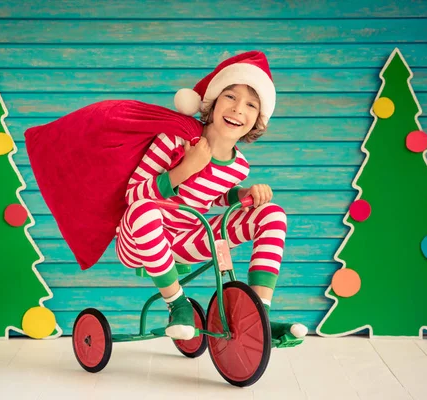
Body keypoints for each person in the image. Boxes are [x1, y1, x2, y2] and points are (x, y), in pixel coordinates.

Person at [115, 51, 308, 341]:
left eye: (251, 105)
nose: (238, 109)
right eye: (230, 97)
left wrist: (243, 194)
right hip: (139, 241)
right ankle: (177, 304)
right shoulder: (174, 139)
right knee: (145, 211)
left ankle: (259, 315)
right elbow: (133, 195)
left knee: (273, 213)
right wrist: (185, 169)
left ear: (257, 120)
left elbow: (211, 197)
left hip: (186, 239)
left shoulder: (239, 165)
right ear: (213, 102)